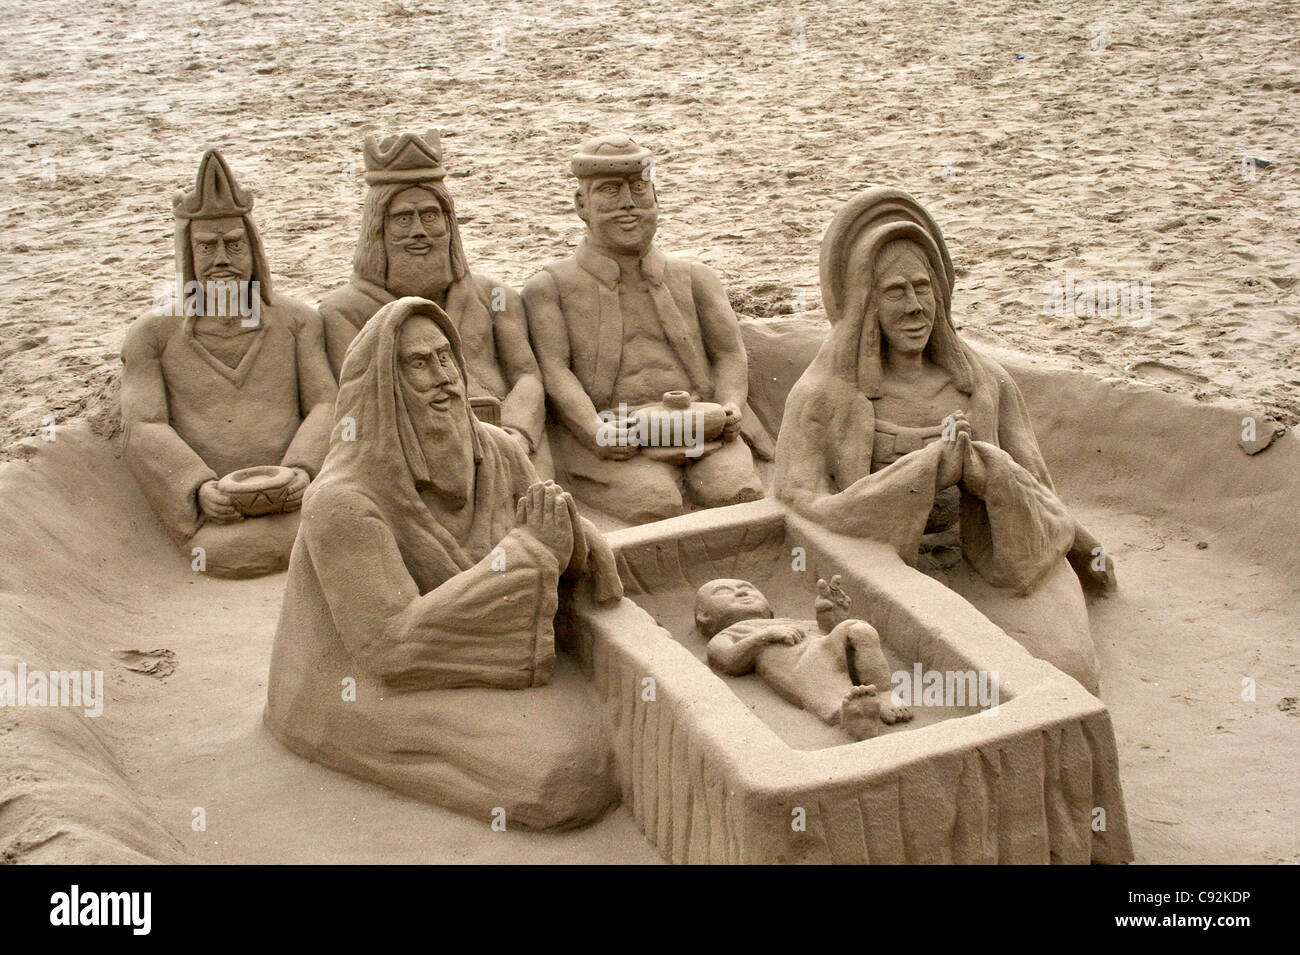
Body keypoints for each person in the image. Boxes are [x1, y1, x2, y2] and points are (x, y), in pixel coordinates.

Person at [265, 296, 623, 829]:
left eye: (445, 357)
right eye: (417, 364)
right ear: (384, 386)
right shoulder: (342, 502)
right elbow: (388, 646)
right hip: (356, 685)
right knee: (562, 777)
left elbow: (555, 542)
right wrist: (526, 554)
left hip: (463, 653)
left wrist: (572, 538)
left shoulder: (499, 450)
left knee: (601, 738)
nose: (441, 377)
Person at [774, 188, 1113, 694]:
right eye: (895, 292)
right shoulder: (824, 396)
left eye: (923, 287)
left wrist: (984, 472)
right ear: (866, 303)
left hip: (1000, 557)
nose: (915, 308)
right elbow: (802, 505)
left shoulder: (984, 382)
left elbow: (1042, 492)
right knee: (972, 678)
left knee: (1066, 672)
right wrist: (925, 473)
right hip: (895, 565)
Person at [523, 134, 768, 524]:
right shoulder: (549, 288)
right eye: (610, 191)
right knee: (653, 504)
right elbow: (555, 369)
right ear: (581, 205)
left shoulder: (696, 278)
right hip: (614, 431)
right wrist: (592, 431)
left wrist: (731, 403)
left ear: (656, 198)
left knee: (735, 492)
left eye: (640, 190)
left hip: (701, 426)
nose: (628, 204)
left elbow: (728, 353)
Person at [121, 149, 336, 578]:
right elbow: (144, 425)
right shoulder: (152, 337)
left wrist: (303, 468)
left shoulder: (296, 322)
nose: (222, 258)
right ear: (189, 256)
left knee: (321, 529)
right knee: (227, 552)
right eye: (207, 247)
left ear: (254, 250)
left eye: (234, 245)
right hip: (218, 511)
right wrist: (196, 486)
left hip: (296, 497)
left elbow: (326, 404)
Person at [320, 130, 547, 462]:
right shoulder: (344, 312)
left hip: (507, 438)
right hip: (415, 452)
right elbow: (358, 406)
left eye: (430, 216)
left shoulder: (494, 296)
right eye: (402, 219)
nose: (418, 231)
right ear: (377, 229)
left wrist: (518, 431)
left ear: (449, 224)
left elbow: (527, 375)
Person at [696, 575, 911, 740]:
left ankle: (883, 692)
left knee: (859, 629)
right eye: (724, 592)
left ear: (770, 609)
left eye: (747, 589)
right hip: (798, 665)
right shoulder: (730, 634)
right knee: (812, 670)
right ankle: (849, 716)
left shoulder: (795, 622)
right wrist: (765, 637)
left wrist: (833, 618)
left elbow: (828, 635)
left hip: (826, 650)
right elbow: (728, 660)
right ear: (704, 617)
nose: (741, 594)